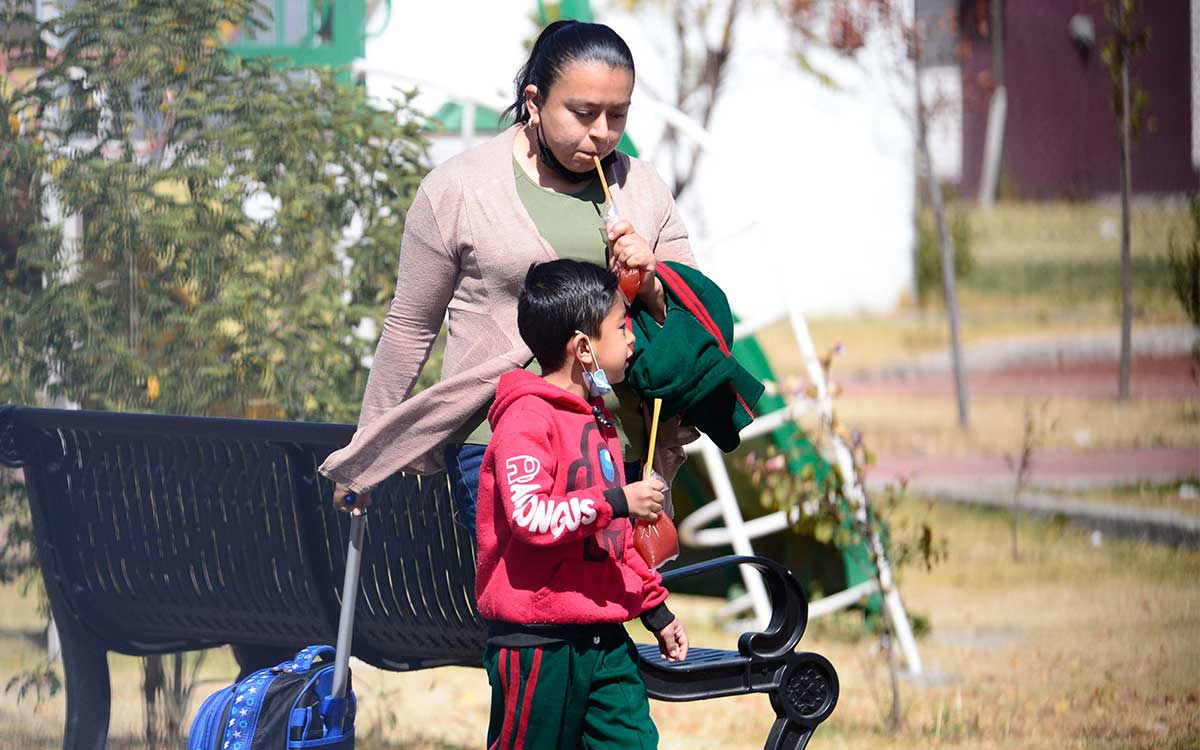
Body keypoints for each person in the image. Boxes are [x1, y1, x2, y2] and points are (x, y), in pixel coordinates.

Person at [322, 20, 698, 528]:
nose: (602, 133)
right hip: (500, 444)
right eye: (583, 113)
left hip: (615, 447)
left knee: (605, 608)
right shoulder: (459, 189)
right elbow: (411, 326)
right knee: (526, 606)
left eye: (618, 115)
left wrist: (650, 280)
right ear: (535, 101)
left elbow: (694, 319)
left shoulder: (643, 190)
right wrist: (368, 453)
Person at [476, 259, 688, 750]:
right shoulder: (526, 420)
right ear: (583, 348)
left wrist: (655, 611)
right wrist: (617, 500)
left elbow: (612, 540)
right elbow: (532, 517)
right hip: (537, 643)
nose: (633, 336)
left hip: (605, 638)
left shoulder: (599, 420)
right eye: (621, 324)